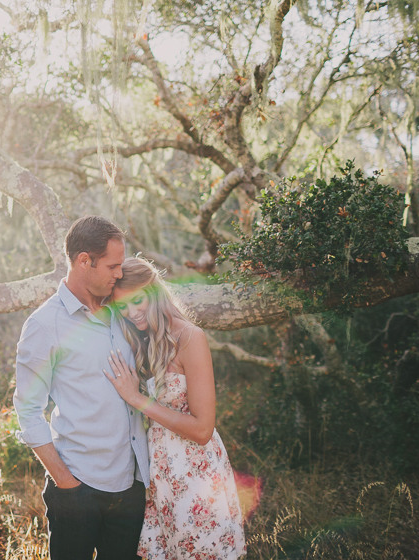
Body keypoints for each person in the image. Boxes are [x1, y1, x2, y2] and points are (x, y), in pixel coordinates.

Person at [13, 216, 149, 560]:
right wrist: (66, 484)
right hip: (77, 488)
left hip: (131, 487)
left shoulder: (122, 312)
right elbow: (28, 411)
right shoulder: (45, 325)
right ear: (83, 261)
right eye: (112, 266)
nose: (119, 274)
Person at [104, 257, 246, 559]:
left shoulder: (191, 338)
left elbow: (203, 429)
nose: (132, 313)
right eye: (123, 307)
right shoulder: (144, 340)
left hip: (196, 476)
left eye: (137, 300)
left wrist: (139, 399)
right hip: (162, 476)